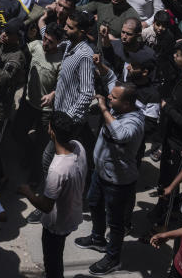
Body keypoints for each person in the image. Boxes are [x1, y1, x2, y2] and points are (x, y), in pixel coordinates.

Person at [74, 83, 145, 275]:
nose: (108, 97)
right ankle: (97, 239)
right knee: (94, 202)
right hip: (101, 172)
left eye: (113, 97)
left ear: (127, 103)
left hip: (118, 180)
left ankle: (113, 258)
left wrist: (104, 109)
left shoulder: (135, 121)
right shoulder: (120, 106)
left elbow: (121, 135)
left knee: (115, 222)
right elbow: (111, 77)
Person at [17, 111, 88, 278]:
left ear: (52, 132)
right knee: (57, 254)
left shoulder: (57, 169)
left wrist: (27, 192)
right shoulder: (78, 146)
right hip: (73, 213)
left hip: (57, 224)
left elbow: (46, 207)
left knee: (52, 261)